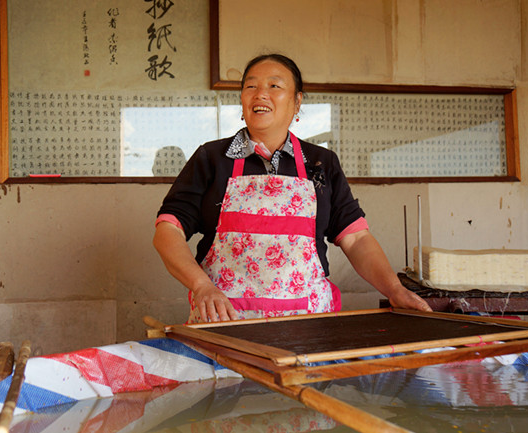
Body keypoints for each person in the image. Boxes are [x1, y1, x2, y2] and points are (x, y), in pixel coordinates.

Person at [153, 53, 431, 323]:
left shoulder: (322, 163)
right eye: (251, 86)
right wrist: (201, 285)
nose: (260, 94)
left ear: (297, 102)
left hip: (309, 326)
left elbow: (356, 239)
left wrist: (394, 289)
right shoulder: (212, 158)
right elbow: (168, 230)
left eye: (274, 86)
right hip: (225, 323)